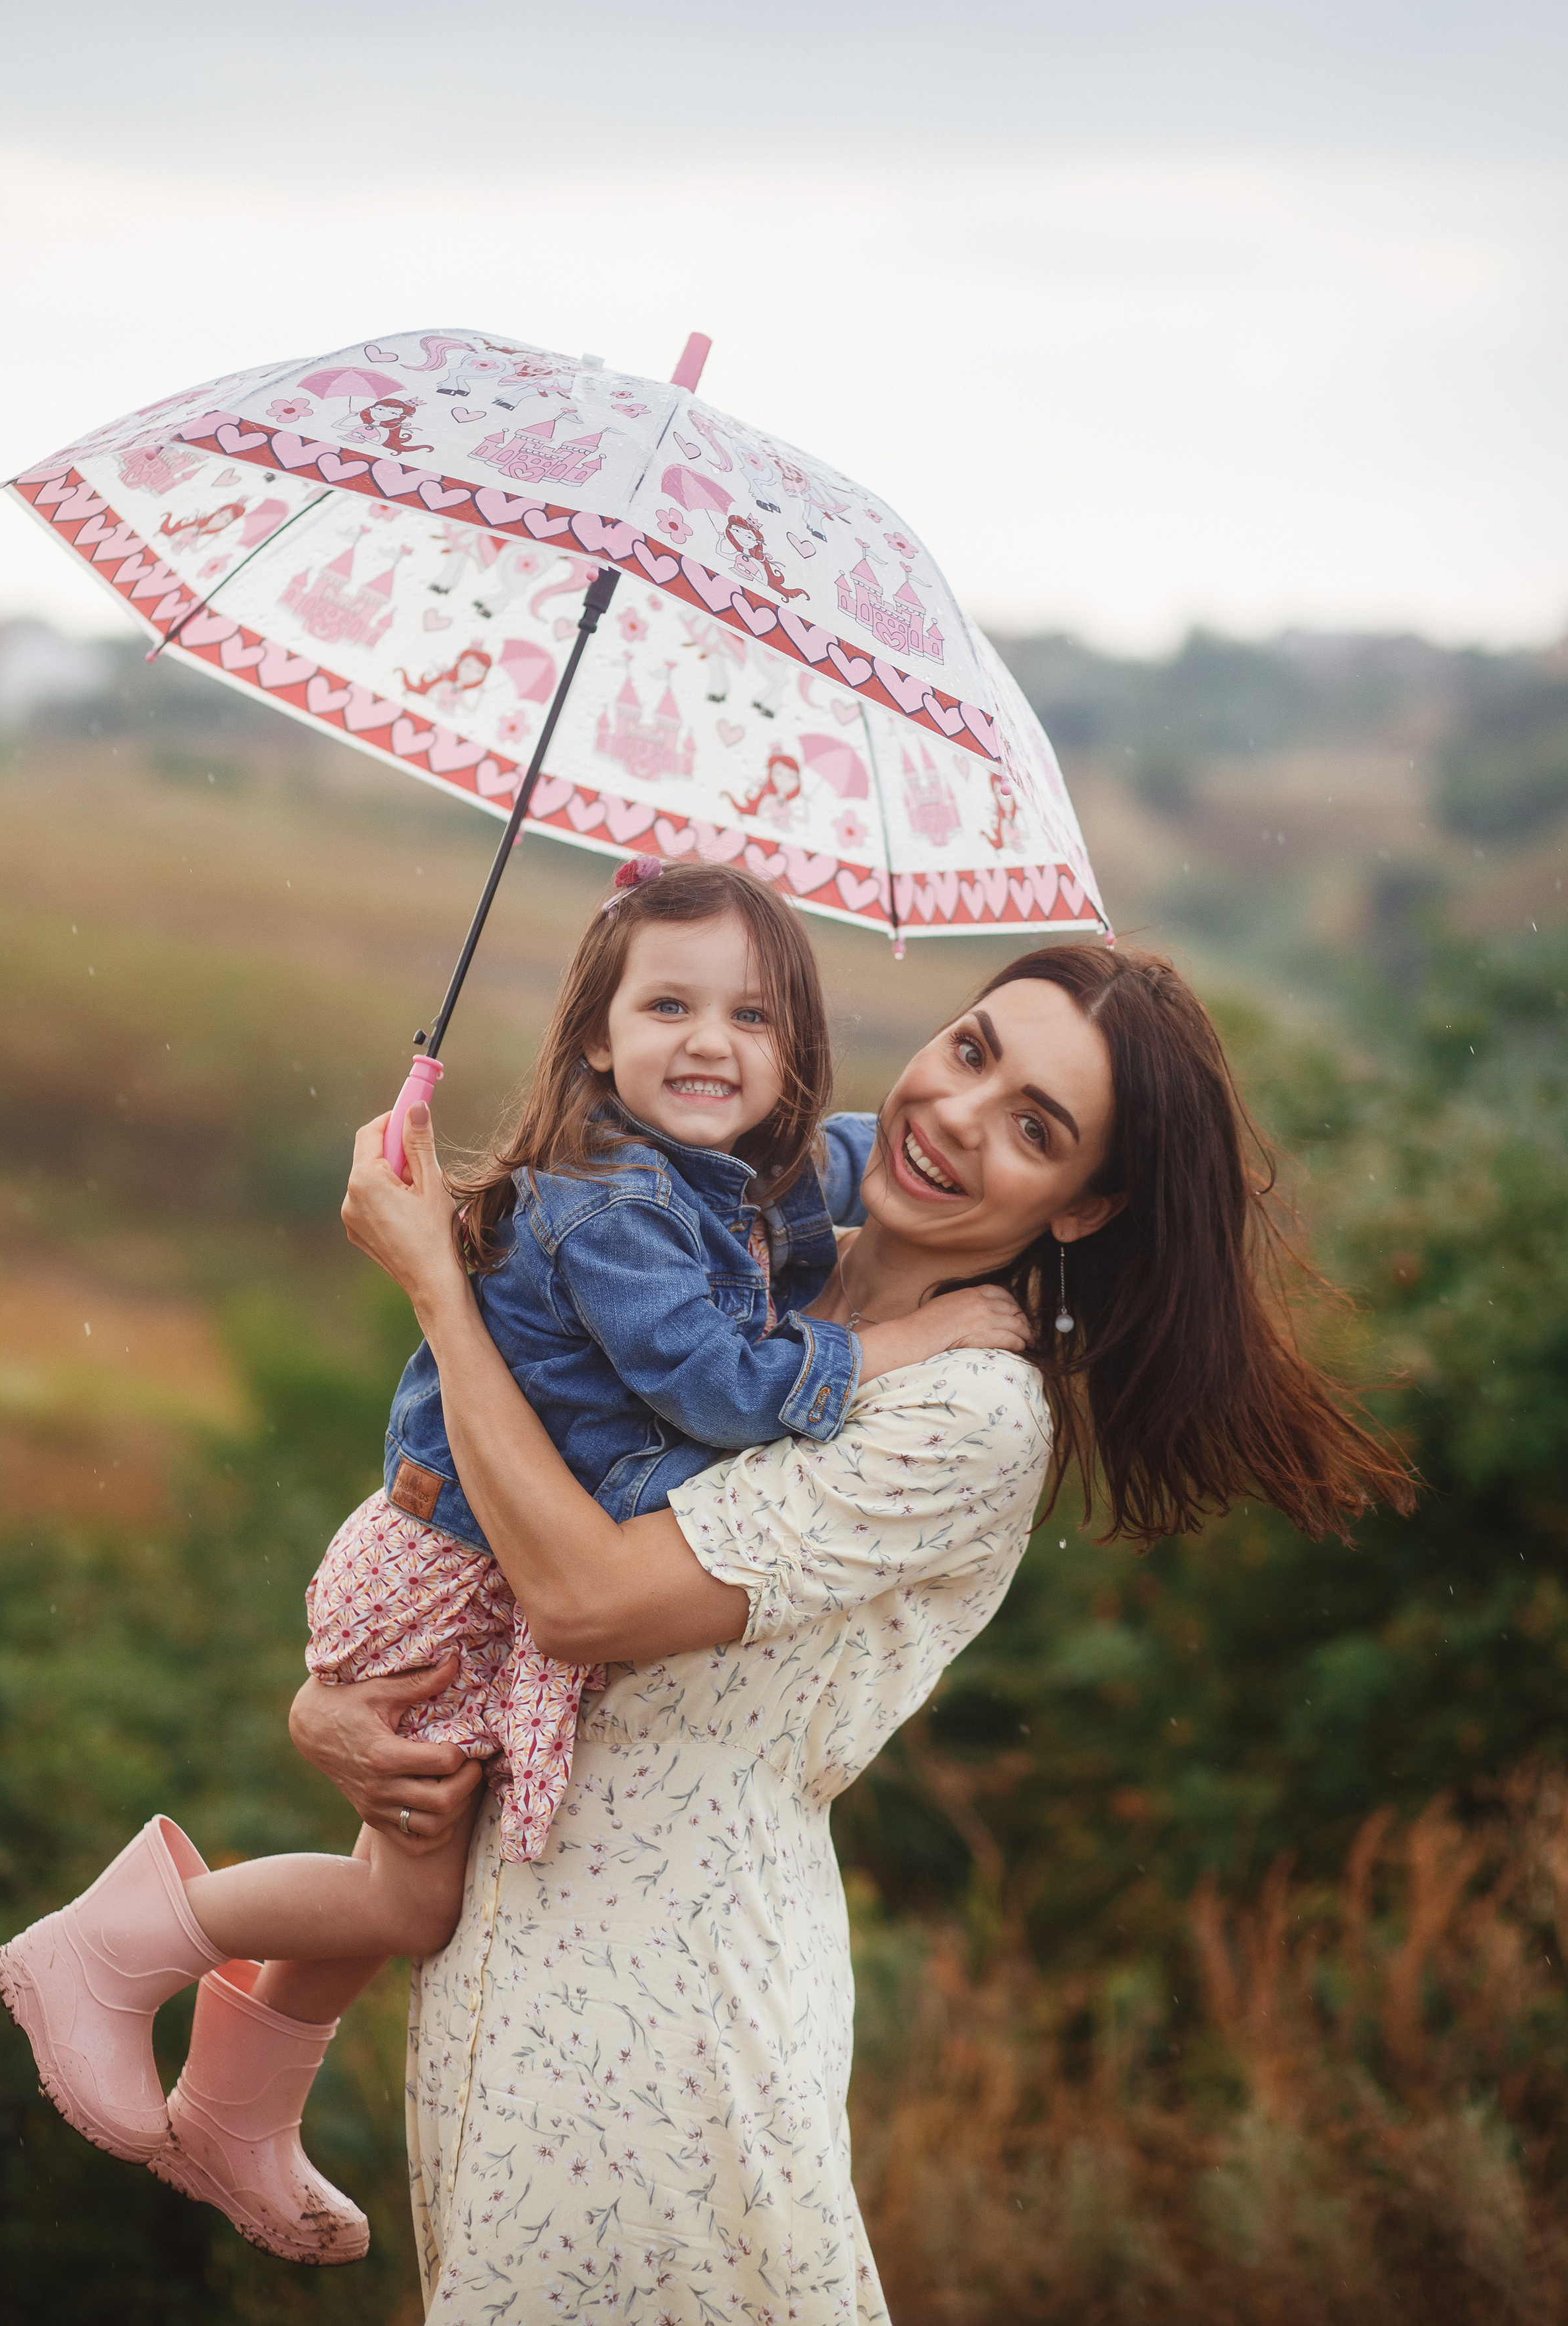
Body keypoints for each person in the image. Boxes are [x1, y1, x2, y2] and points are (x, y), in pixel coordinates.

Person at [299, 940, 1412, 2321]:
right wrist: (340, 1704)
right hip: (506, 1956)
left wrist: (436, 1290)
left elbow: (582, 1601)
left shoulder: (969, 1417)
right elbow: (479, 1534)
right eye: (967, 1052)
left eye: (1033, 1127)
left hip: (665, 1991)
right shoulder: (747, 1274)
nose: (954, 1114)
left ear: (1083, 1206)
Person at [0, 861, 1025, 2267]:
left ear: (791, 1056)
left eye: (753, 1018)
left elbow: (840, 1157)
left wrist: (882, 1184)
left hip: (476, 1568)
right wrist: (907, 1336)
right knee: (410, 1894)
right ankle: (115, 1946)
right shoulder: (613, 1211)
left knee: (411, 1860)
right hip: (450, 1565)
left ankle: (236, 2102)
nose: (710, 1043)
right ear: (595, 1037)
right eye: (667, 1004)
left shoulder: (747, 1167)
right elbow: (723, 1392)